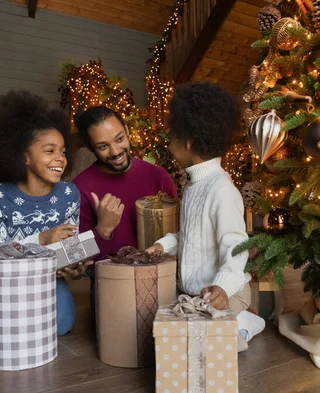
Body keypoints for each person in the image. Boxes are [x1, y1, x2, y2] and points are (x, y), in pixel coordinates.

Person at [146, 82, 265, 351]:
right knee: (174, 333)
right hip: (195, 293)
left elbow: (236, 249)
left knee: (206, 345)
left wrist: (222, 288)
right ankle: (233, 324)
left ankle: (246, 324)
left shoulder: (222, 190)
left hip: (225, 292)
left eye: (172, 137)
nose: (169, 144)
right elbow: (191, 235)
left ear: (187, 142)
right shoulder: (192, 187)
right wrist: (163, 245)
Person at [0, 89, 85, 336]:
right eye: (50, 151)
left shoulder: (70, 194)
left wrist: (76, 267)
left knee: (61, 325)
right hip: (10, 283)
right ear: (24, 156)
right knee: (16, 328)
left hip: (50, 279)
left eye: (63, 151)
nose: (60, 158)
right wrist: (41, 239)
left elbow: (72, 247)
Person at [72, 106, 178, 313]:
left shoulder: (158, 176)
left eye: (119, 139)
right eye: (103, 146)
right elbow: (80, 261)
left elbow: (179, 235)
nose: (115, 152)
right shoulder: (81, 188)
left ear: (127, 131)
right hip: (111, 280)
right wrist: (103, 230)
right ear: (90, 147)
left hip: (161, 275)